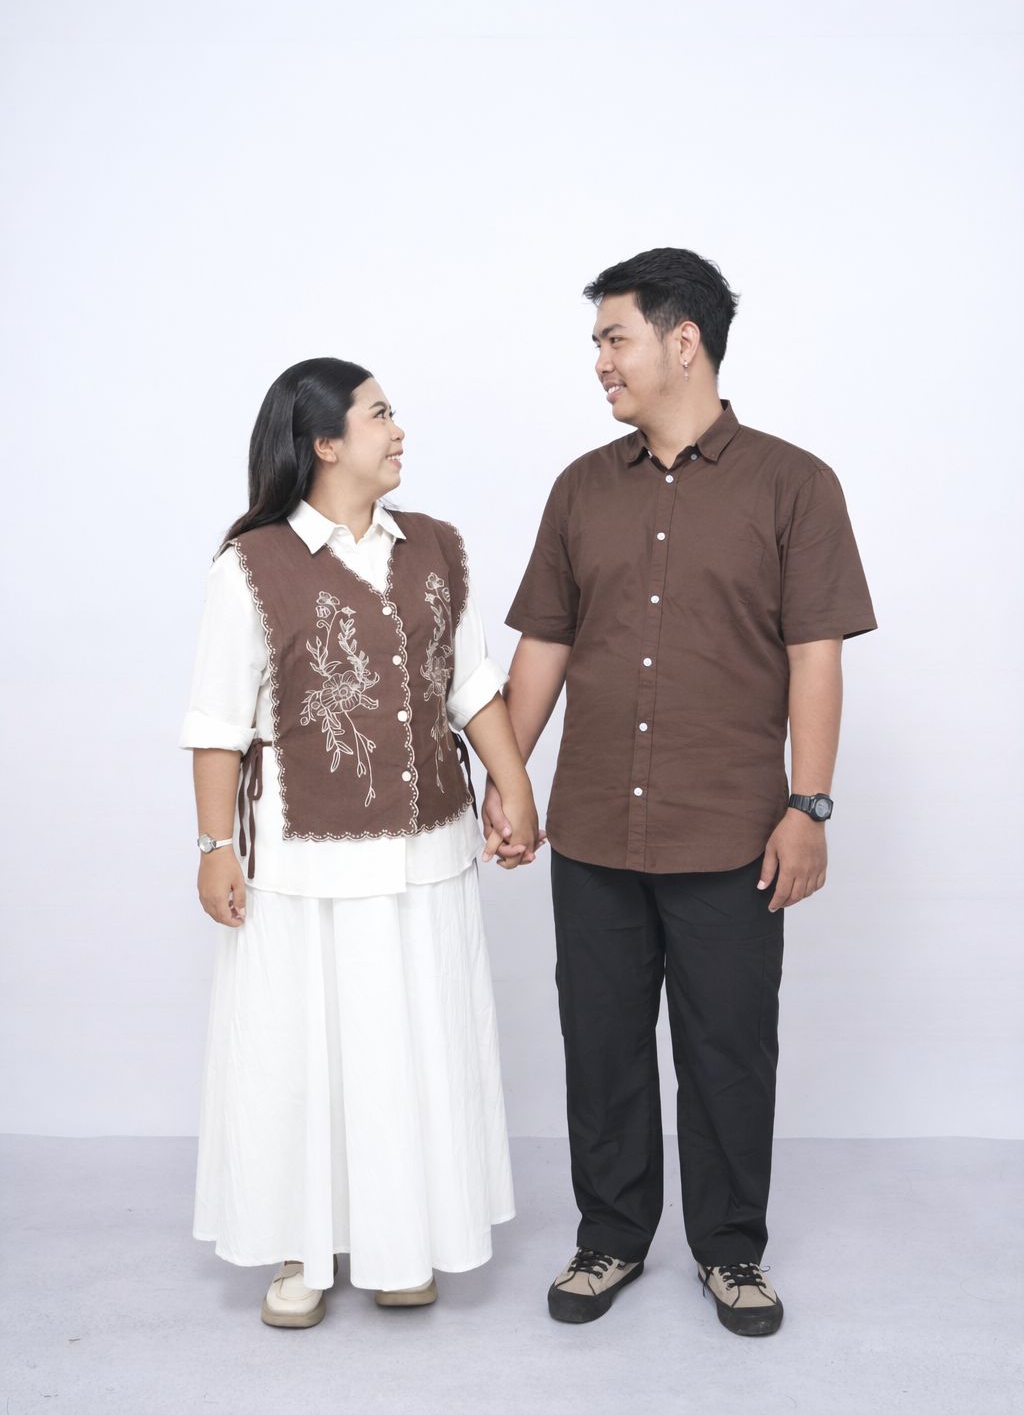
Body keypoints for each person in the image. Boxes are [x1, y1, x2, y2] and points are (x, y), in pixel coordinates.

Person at [485, 248, 877, 1336]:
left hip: (732, 834)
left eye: (614, 338)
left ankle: (730, 1252)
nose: (600, 362)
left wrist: (809, 806)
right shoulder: (580, 487)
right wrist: (509, 782)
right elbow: (544, 646)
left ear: (683, 341)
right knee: (601, 1045)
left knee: (727, 1051)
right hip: (594, 830)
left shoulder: (795, 484)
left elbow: (814, 656)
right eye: (598, 343)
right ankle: (610, 1237)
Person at [180, 356, 539, 1328]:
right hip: (303, 860)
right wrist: (214, 846)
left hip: (428, 853)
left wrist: (513, 782)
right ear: (326, 443)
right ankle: (297, 1250)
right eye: (380, 414)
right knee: (300, 1055)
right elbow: (217, 723)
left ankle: (401, 1245)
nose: (399, 429)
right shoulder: (249, 566)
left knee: (410, 1050)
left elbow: (470, 684)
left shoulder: (436, 548)